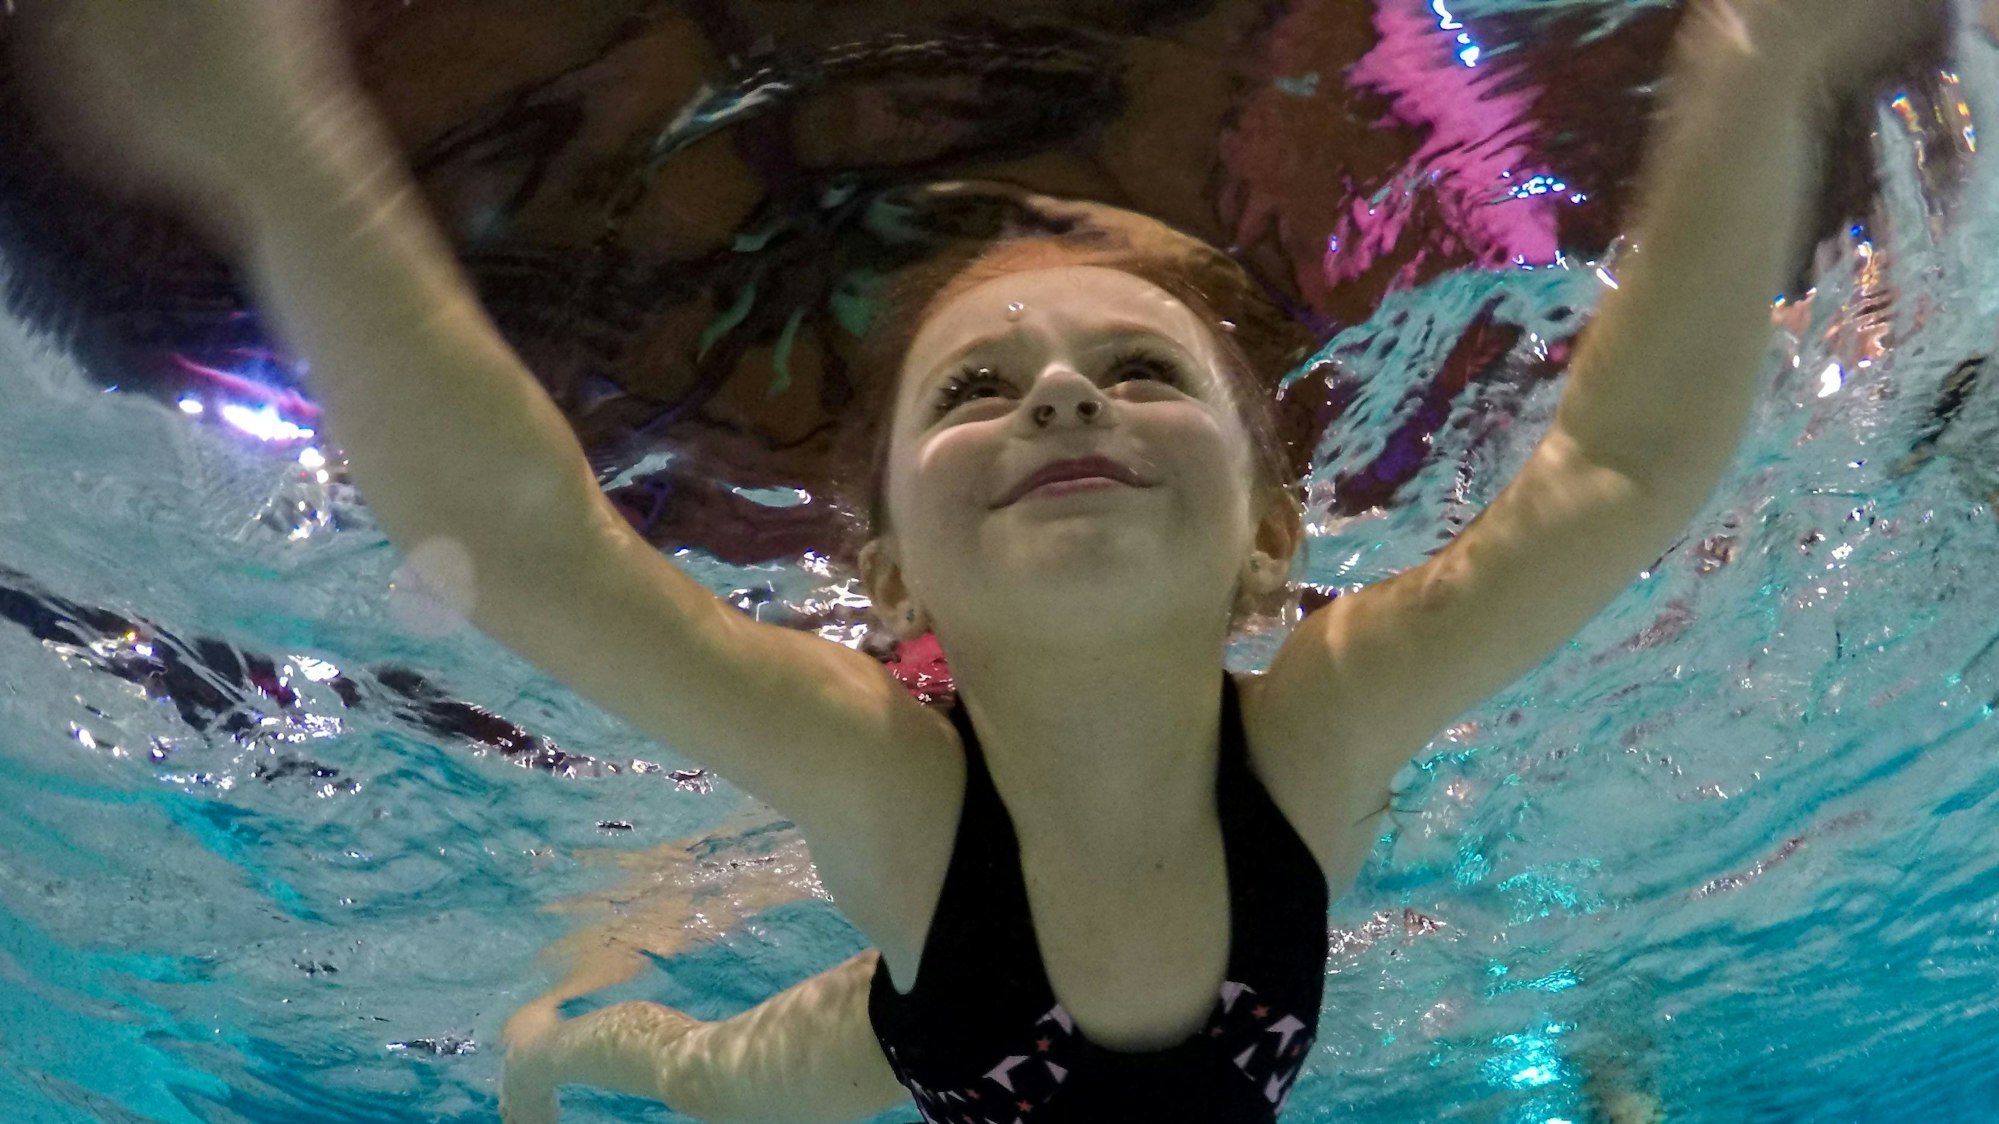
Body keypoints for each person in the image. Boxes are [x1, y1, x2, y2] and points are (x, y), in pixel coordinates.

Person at [9, 0, 1954, 1121]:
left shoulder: (1323, 704)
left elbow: (1615, 461)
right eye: (979, 393)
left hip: (957, 1044)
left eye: (1129, 367)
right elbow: (535, 553)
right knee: (680, 1077)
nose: (1059, 402)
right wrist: (276, 155)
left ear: (1275, 529)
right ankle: (559, 1024)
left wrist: (1756, 78)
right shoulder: (903, 769)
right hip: (926, 1033)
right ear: (895, 579)